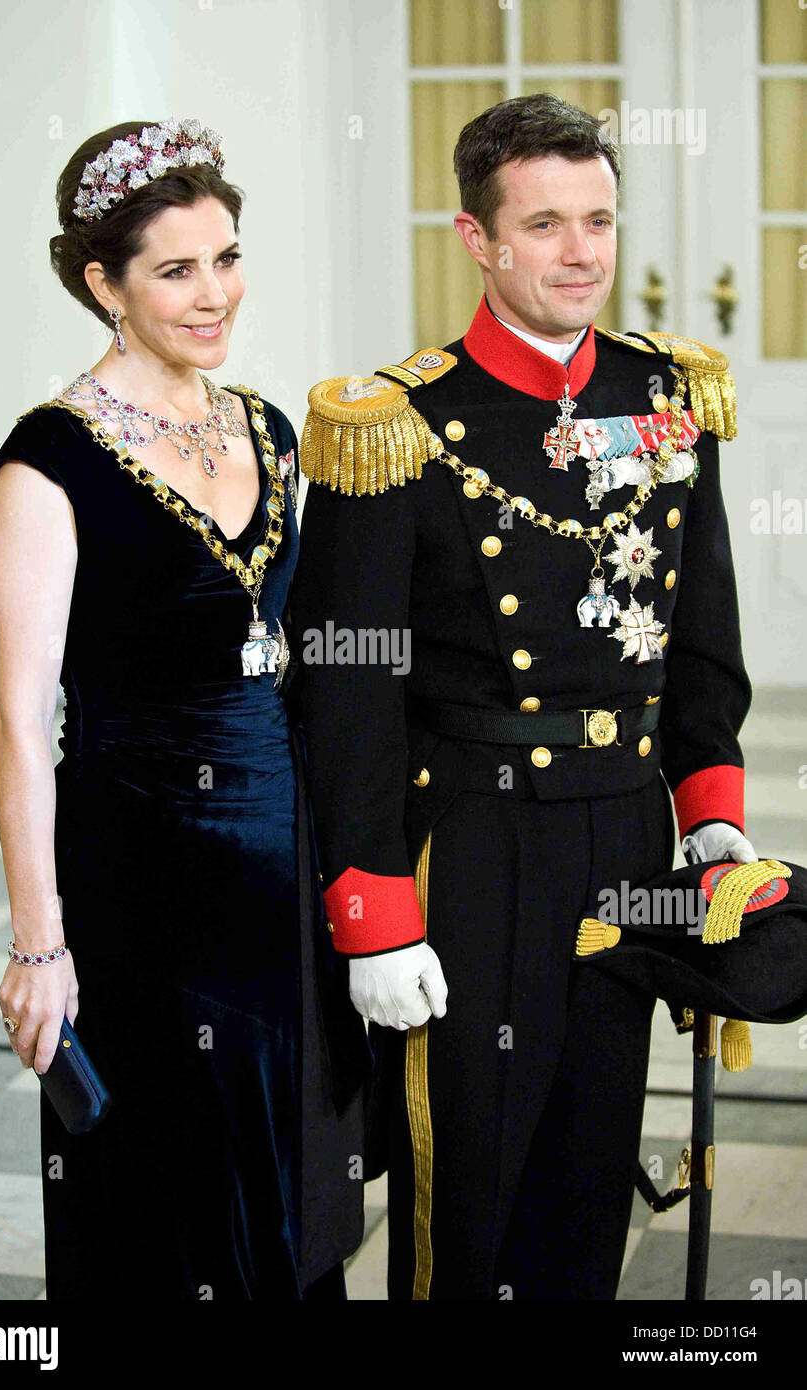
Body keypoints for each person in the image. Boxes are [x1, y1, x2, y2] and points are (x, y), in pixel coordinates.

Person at [288, 92, 756, 1300]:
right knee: (474, 1187)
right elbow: (347, 682)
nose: (582, 252)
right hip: (477, 841)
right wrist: (370, 902)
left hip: (627, 824)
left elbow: (703, 631)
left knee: (592, 1170)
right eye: (545, 224)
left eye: (598, 219)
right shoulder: (395, 422)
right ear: (477, 238)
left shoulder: (667, 394)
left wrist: (710, 809)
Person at [0, 117, 369, 1301]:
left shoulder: (268, 426)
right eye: (177, 269)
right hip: (140, 874)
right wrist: (39, 943)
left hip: (282, 864)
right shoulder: (48, 466)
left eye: (229, 257)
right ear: (102, 283)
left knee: (295, 1182)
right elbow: (17, 719)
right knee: (171, 1199)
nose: (217, 295)